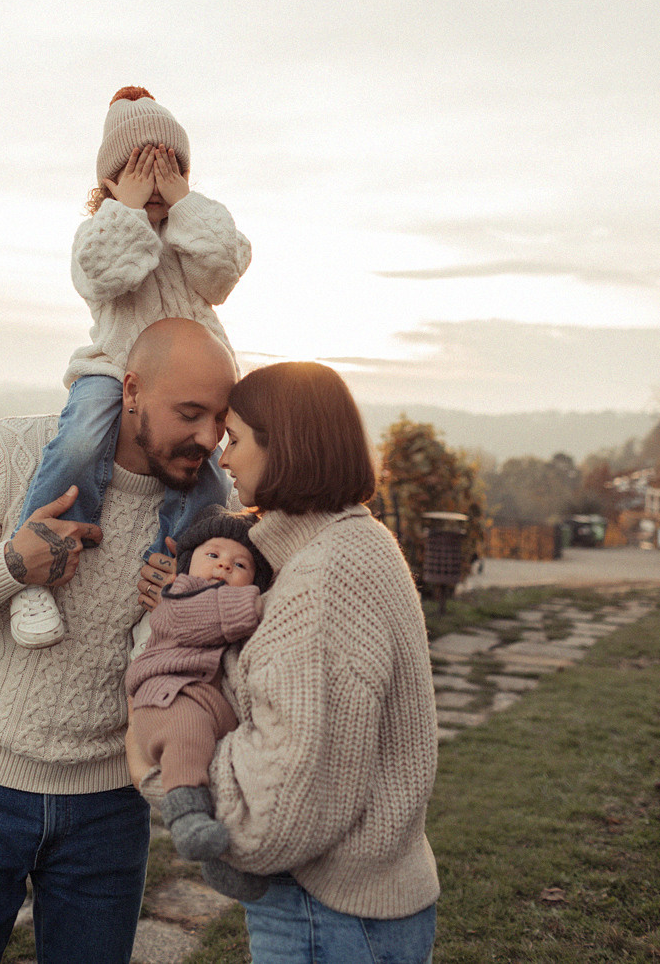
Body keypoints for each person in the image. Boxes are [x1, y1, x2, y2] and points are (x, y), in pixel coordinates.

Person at [0, 318, 238, 964]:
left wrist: (183, 609)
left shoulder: (209, 513)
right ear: (129, 389)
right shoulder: (11, 451)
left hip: (109, 808)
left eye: (220, 418)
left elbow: (214, 663)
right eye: (190, 413)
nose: (208, 438)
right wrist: (10, 564)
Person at [136, 361, 440, 964]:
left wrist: (154, 768)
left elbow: (277, 811)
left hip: (328, 915)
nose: (223, 459)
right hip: (353, 909)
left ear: (288, 448)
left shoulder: (324, 578)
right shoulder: (344, 545)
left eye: (238, 439)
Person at [10, 85, 251, 648]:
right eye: (139, 168)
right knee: (77, 444)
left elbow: (223, 270)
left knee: (209, 481)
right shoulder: (100, 234)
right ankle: (38, 567)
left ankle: (174, 587)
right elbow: (108, 272)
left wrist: (184, 205)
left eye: (168, 166)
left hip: (193, 383)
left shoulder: (193, 235)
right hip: (114, 370)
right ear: (110, 183)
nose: (156, 181)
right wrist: (126, 209)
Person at [126, 505, 272, 862]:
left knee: (227, 772)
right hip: (169, 697)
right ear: (188, 562)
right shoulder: (180, 594)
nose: (224, 565)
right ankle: (185, 812)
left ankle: (225, 856)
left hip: (213, 706)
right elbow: (214, 613)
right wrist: (267, 603)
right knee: (188, 735)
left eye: (240, 565)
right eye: (213, 555)